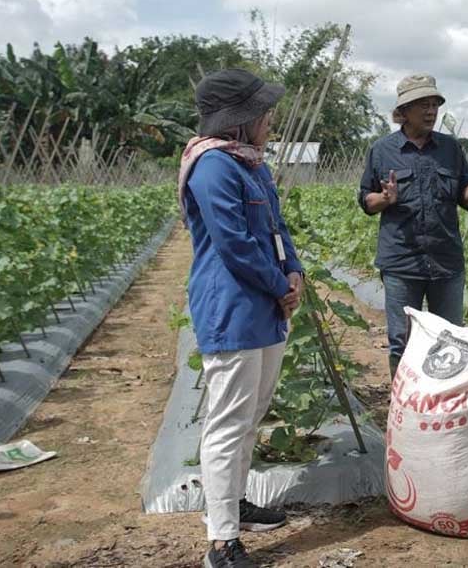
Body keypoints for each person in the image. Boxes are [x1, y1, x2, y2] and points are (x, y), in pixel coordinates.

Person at [178, 68, 304, 568]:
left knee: (250, 417)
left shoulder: (253, 166)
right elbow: (234, 245)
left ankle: (235, 504)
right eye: (263, 113)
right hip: (232, 309)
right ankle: (220, 542)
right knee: (227, 424)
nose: (270, 120)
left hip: (266, 308)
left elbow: (277, 226)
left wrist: (293, 271)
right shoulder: (212, 167)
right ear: (238, 121)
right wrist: (279, 287)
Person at [358, 74, 468, 378]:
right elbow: (366, 202)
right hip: (401, 262)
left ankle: (442, 410)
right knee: (401, 341)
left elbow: (466, 200)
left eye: (434, 104)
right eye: (423, 104)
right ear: (403, 111)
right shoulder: (382, 150)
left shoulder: (450, 148)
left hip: (446, 261)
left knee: (450, 340)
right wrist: (385, 198)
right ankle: (404, 408)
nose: (431, 110)